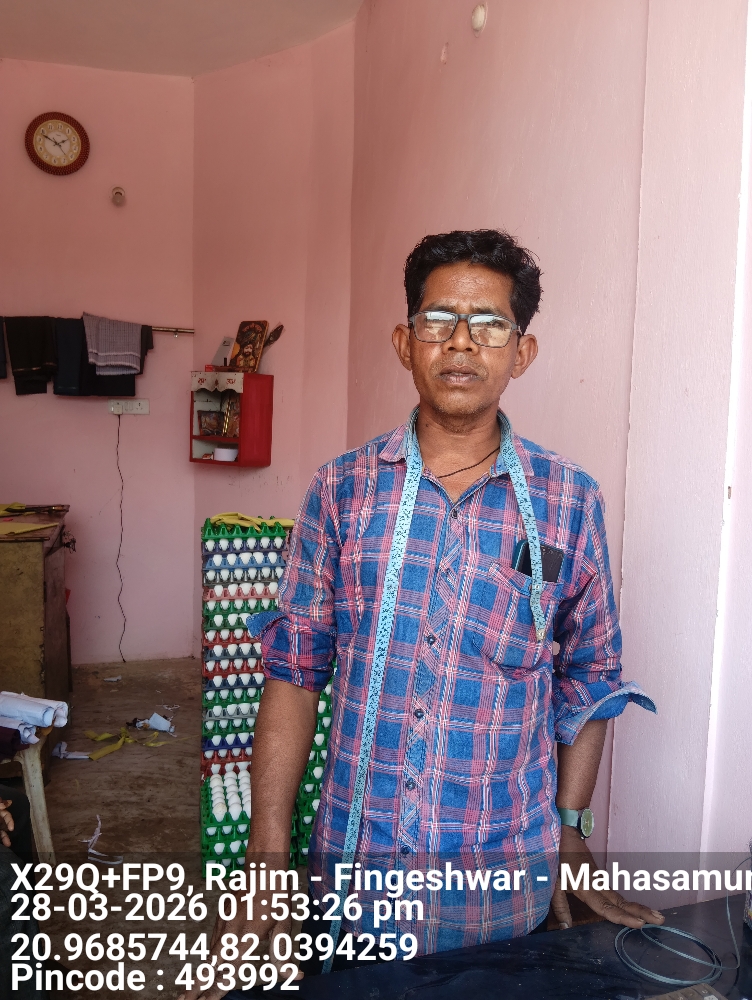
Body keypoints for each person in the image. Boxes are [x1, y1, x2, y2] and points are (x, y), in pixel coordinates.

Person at [180, 229, 663, 1000]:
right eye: (439, 320)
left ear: (522, 352)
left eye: (490, 324)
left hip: (504, 895)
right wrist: (266, 859)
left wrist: (571, 830)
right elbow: (294, 672)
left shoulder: (569, 502)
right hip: (354, 886)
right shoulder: (342, 490)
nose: (462, 342)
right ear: (406, 343)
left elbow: (589, 676)